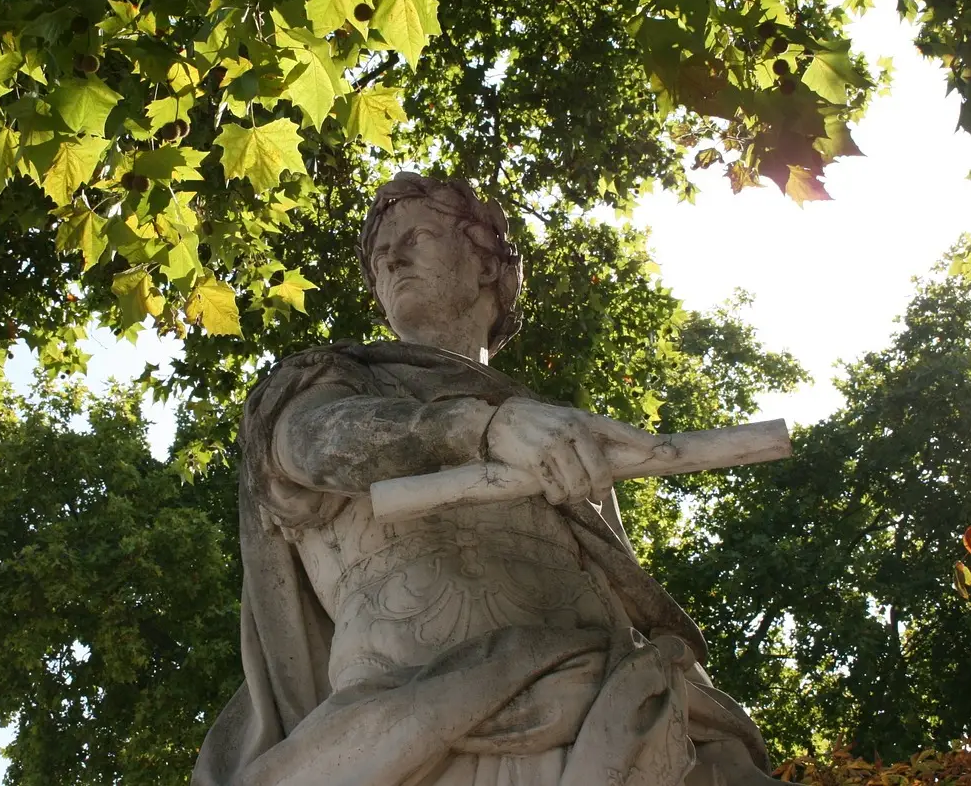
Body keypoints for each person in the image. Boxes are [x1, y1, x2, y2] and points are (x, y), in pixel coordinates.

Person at [192, 173, 779, 786]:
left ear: (487, 265)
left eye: (416, 237)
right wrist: (482, 428)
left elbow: (624, 592)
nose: (391, 260)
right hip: (410, 734)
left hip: (614, 715)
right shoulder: (328, 380)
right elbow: (311, 446)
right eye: (381, 253)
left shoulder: (556, 432)